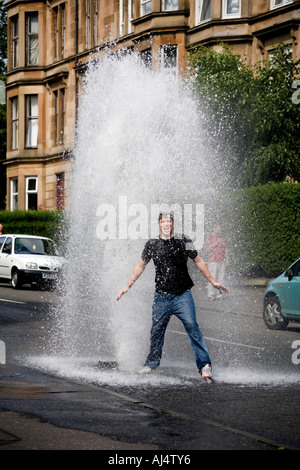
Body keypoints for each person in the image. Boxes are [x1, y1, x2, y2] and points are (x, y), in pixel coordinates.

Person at [116, 212, 229, 382]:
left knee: (192, 326)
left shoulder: (184, 240)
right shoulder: (152, 244)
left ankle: (205, 365)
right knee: (156, 330)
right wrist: (127, 285)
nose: (166, 224)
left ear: (173, 224)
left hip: (182, 295)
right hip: (161, 296)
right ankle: (151, 364)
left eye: (169, 221)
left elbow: (198, 261)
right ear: (159, 224)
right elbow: (140, 266)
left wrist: (213, 282)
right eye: (163, 221)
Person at [205, 225, 229, 301]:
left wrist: (227, 258)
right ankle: (210, 295)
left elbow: (226, 248)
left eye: (220, 230)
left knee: (221, 278)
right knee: (213, 277)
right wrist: (216, 243)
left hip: (222, 260)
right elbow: (207, 248)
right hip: (212, 261)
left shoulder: (223, 237)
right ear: (214, 229)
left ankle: (219, 295)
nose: (219, 232)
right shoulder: (210, 237)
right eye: (218, 230)